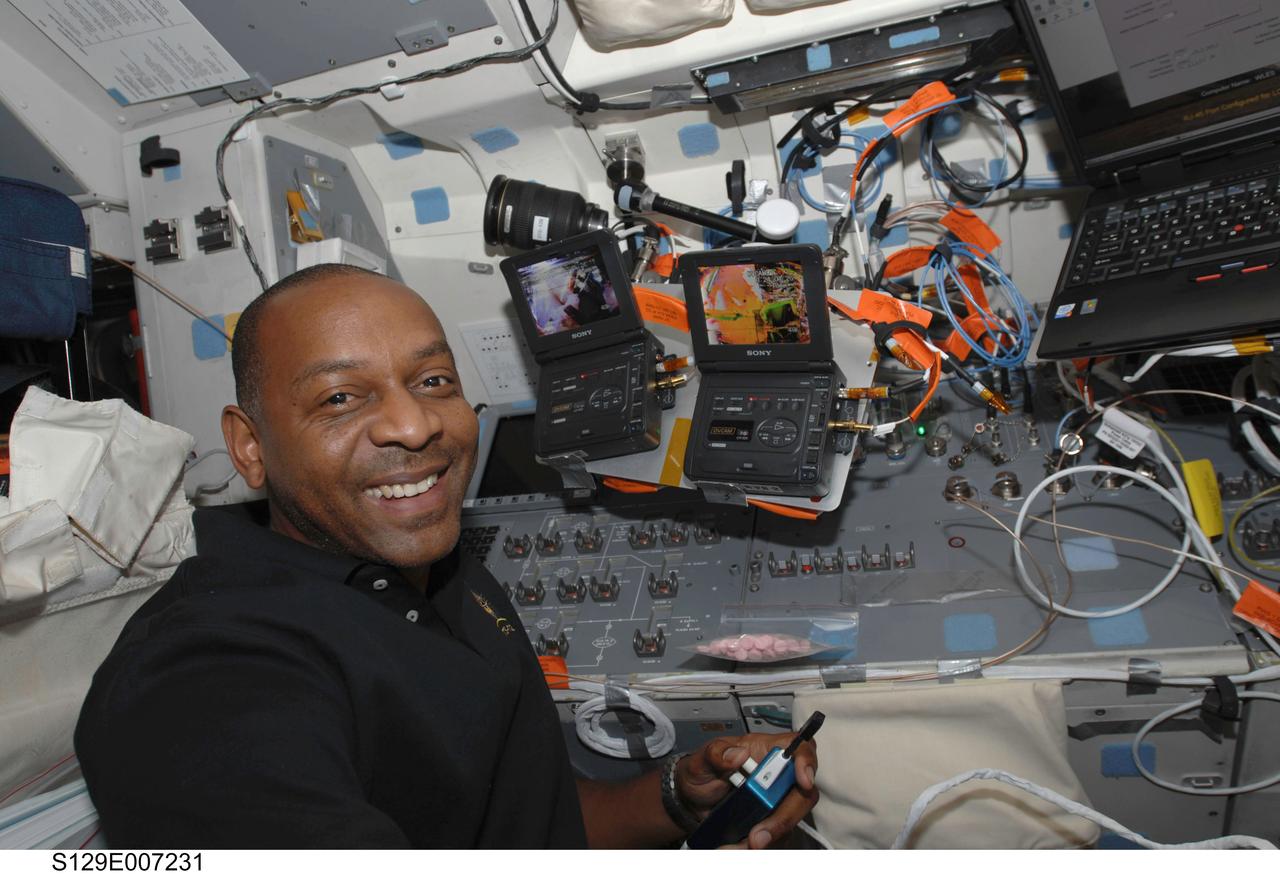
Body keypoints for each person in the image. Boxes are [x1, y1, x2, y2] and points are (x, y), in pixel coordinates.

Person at [74, 264, 819, 849]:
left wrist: (675, 799)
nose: (412, 425)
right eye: (340, 399)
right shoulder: (204, 677)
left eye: (433, 382)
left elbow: (514, 820)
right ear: (249, 447)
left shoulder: (440, 563)